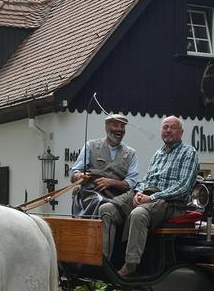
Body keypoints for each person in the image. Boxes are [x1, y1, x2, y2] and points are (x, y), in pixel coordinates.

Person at [98, 116, 198, 277]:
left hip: (170, 203)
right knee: (106, 208)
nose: (168, 130)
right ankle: (104, 260)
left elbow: (183, 187)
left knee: (138, 214)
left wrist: (151, 198)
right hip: (147, 195)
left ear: (181, 132)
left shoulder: (188, 152)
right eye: (165, 127)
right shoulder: (158, 153)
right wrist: (139, 192)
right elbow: (146, 180)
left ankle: (130, 266)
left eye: (173, 127)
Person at [69, 113, 139, 217]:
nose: (119, 129)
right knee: (100, 201)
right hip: (90, 195)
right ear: (106, 127)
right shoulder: (90, 146)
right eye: (115, 125)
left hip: (117, 198)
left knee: (108, 205)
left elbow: (132, 183)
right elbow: (74, 173)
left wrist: (112, 183)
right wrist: (79, 176)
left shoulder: (131, 153)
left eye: (122, 126)